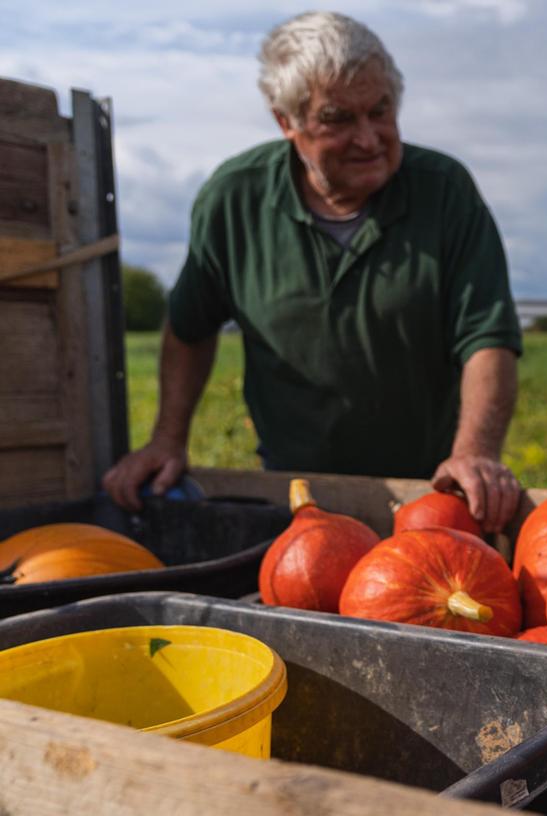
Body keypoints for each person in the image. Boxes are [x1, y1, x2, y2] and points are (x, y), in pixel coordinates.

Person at [102, 11, 523, 532]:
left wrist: (474, 454)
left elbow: (487, 337)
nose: (368, 137)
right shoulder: (235, 199)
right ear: (287, 122)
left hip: (429, 492)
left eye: (380, 111)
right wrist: (168, 439)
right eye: (338, 119)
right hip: (293, 491)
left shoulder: (445, 192)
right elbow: (190, 327)